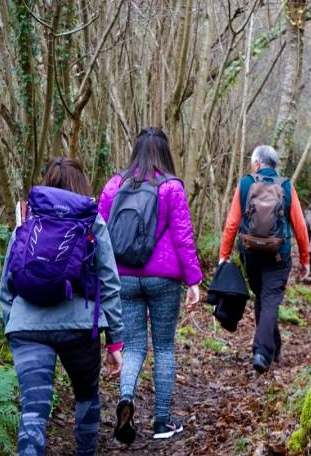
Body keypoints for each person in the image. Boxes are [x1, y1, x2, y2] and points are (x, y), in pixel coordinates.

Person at [0, 157, 124, 456]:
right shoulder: (90, 218)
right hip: (78, 327)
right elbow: (109, 280)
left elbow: (8, 280)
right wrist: (115, 340)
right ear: (81, 184)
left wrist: (11, 323)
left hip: (26, 326)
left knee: (33, 409)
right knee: (86, 398)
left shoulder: (28, 215)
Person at [98, 126, 202, 443]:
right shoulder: (171, 187)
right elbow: (183, 238)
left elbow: (99, 232)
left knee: (133, 347)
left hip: (123, 277)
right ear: (165, 152)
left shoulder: (114, 185)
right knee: (165, 347)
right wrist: (194, 280)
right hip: (163, 279)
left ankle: (126, 397)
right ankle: (162, 421)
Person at [219, 145, 310, 374]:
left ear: (258, 163)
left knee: (263, 297)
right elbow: (300, 226)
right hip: (278, 255)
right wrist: (305, 259)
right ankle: (262, 351)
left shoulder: (246, 183)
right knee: (269, 300)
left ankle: (271, 347)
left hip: (250, 253)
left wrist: (224, 255)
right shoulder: (286, 185)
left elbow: (232, 223)